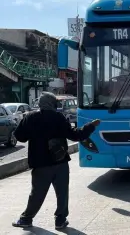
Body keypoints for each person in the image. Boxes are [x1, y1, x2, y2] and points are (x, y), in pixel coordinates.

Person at [12, 92, 100, 229]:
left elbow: (20, 137)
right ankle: (60, 220)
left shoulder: (30, 117)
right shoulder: (58, 117)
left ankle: (26, 219)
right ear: (52, 104)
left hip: (40, 164)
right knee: (62, 193)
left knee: (37, 193)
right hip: (60, 162)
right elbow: (75, 135)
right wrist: (91, 126)